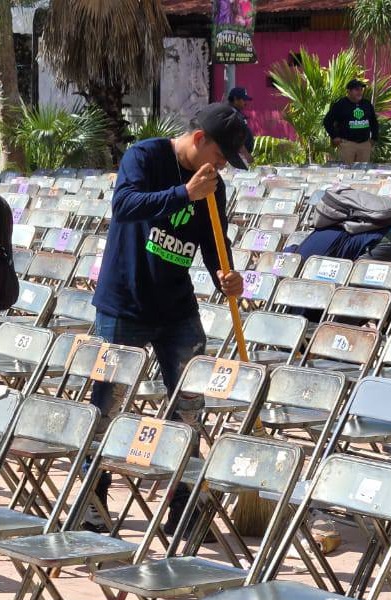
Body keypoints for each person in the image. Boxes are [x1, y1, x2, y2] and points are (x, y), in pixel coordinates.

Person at [90, 103, 246, 534]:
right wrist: (183, 194)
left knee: (190, 405)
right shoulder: (144, 155)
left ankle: (183, 506)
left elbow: (215, 242)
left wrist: (225, 276)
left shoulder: (214, 186)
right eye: (220, 155)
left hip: (177, 309)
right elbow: (125, 205)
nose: (221, 166)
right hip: (125, 303)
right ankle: (92, 500)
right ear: (200, 139)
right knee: (107, 404)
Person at [323, 79, 379, 164]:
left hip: (364, 144)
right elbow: (327, 121)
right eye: (356, 90)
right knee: (346, 172)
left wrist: (374, 138)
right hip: (347, 144)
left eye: (361, 89)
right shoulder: (340, 104)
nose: (360, 92)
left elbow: (374, 123)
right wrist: (334, 136)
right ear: (348, 91)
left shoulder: (367, 104)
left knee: (363, 173)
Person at [227, 86, 256, 154]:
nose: (245, 103)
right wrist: (247, 156)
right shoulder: (230, 114)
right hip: (237, 155)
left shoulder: (237, 113)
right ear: (236, 99)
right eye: (243, 100)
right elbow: (235, 138)